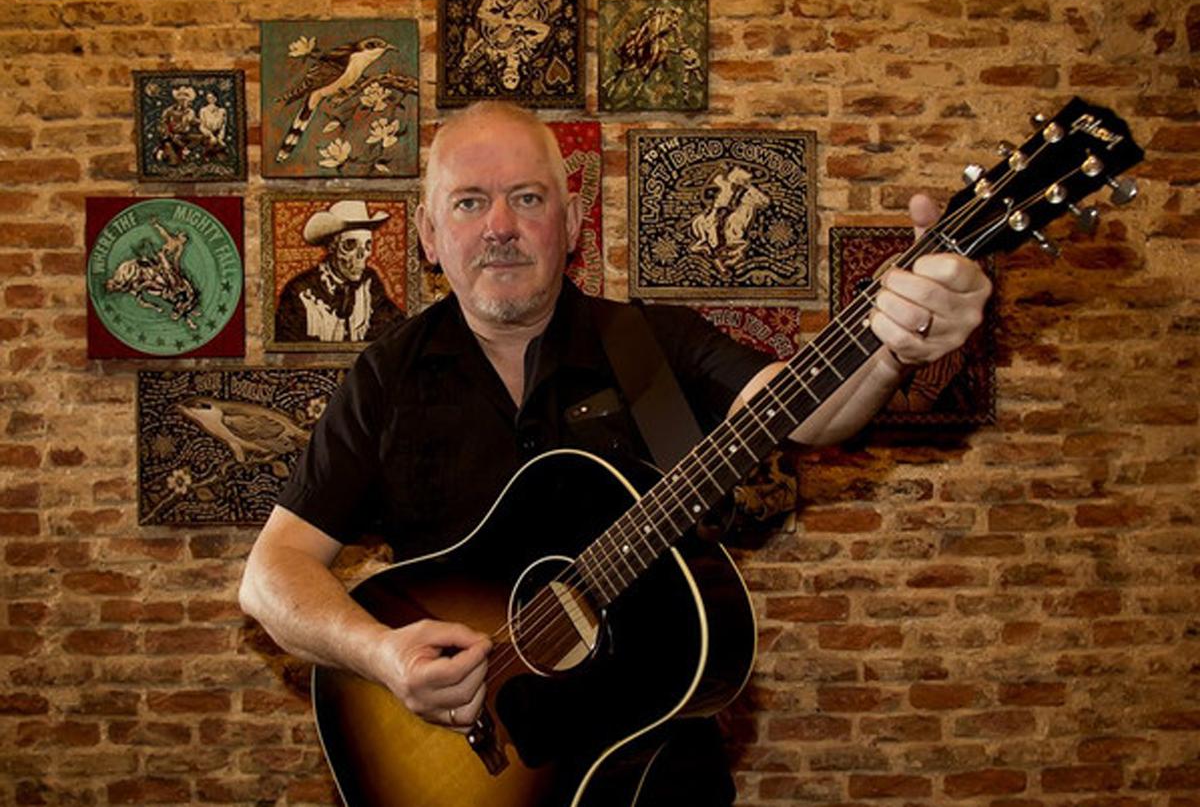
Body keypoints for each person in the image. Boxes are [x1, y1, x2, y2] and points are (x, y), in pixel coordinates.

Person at [239, 101, 992, 803]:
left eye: (528, 198)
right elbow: (271, 576)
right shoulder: (386, 377)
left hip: (655, 773)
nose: (500, 226)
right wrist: (382, 655)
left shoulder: (649, 345)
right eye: (469, 202)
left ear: (571, 223)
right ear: (430, 236)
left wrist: (891, 347)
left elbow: (804, 408)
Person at [273, 199, 403, 344]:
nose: (361, 255)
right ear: (331, 247)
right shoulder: (300, 292)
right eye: (350, 245)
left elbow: (395, 332)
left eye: (367, 246)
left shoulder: (370, 283)